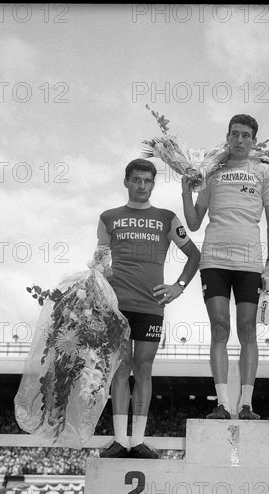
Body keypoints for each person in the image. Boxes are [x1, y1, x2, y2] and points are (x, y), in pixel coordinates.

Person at [96, 159, 200, 459]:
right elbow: (100, 260)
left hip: (151, 306)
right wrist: (98, 282)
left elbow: (194, 255)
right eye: (137, 180)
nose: (142, 185)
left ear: (153, 184)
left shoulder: (167, 218)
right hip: (115, 306)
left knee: (143, 368)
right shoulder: (108, 217)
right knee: (120, 367)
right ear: (126, 181)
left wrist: (178, 286)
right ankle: (119, 441)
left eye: (148, 181)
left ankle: (138, 441)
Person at [181, 114, 269, 420]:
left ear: (253, 141)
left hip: (250, 262)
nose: (239, 140)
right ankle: (222, 404)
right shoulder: (212, 172)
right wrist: (186, 191)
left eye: (245, 135)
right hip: (214, 260)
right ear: (227, 137)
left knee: (248, 329)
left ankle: (246, 404)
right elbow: (195, 223)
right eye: (234, 134)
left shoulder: (263, 172)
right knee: (220, 328)